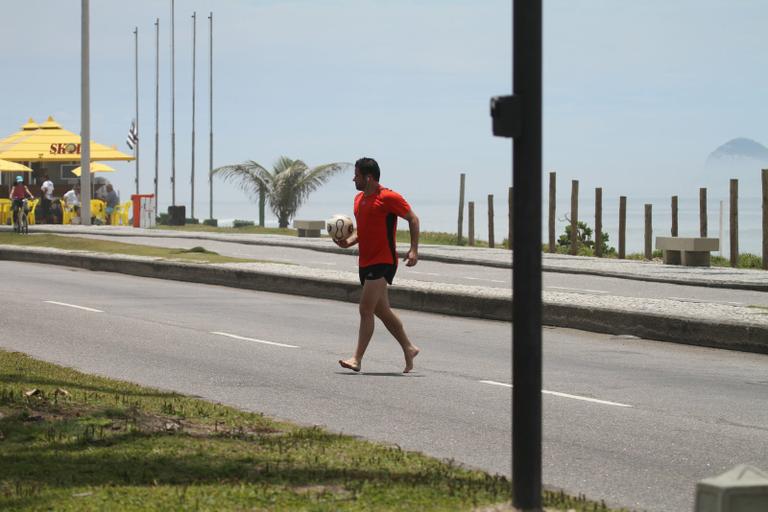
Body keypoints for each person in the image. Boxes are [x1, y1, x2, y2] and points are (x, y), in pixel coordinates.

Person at [334, 157, 421, 373]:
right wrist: (347, 242)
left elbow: (413, 219)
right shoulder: (358, 200)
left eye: (356, 175)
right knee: (382, 311)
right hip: (365, 261)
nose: (353, 178)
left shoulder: (389, 197)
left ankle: (357, 358)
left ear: (368, 177)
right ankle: (409, 348)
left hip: (384, 261)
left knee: (365, 309)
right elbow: (363, 231)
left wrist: (414, 249)